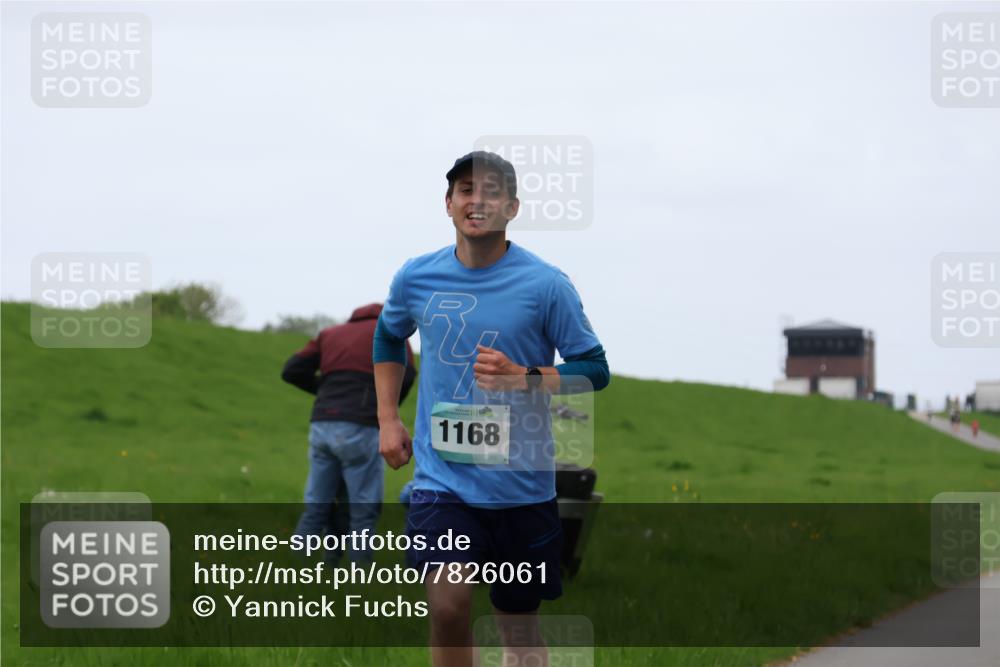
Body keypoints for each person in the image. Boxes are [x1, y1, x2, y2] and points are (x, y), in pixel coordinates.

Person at [372, 151, 610, 667]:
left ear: (513, 207)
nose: (476, 201)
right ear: (448, 203)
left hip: (522, 487)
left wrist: (524, 376)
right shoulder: (415, 277)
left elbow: (594, 368)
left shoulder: (547, 285)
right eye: (465, 190)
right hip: (442, 482)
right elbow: (388, 338)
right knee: (450, 603)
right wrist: (388, 419)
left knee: (518, 630)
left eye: (492, 193)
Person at [282, 303, 416, 563]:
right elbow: (408, 374)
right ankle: (358, 576)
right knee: (363, 510)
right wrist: (387, 410)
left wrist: (327, 391)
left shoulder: (330, 334)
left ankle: (295, 570)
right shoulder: (391, 333)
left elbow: (292, 370)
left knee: (316, 506)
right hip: (361, 427)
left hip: (322, 425)